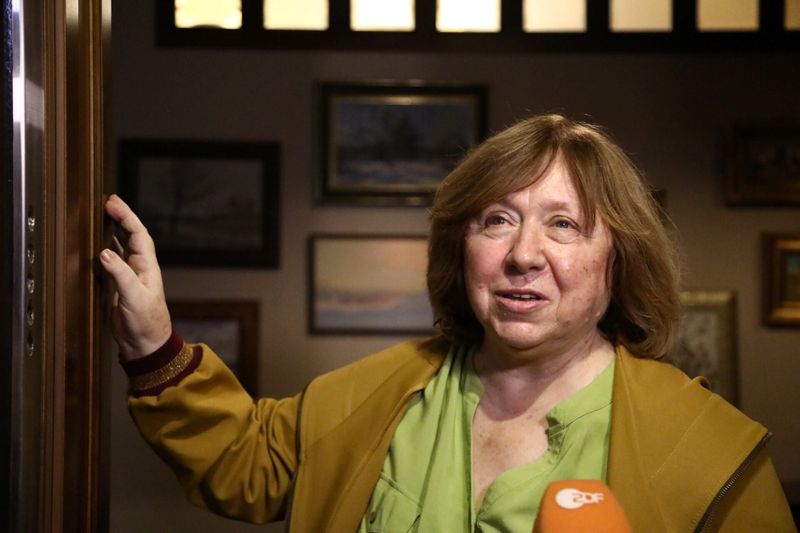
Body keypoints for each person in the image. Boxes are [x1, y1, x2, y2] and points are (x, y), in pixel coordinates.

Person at [101, 114, 796, 532]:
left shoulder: (713, 454)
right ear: (462, 249)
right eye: (497, 220)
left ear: (618, 260)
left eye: (563, 224)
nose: (524, 253)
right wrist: (153, 341)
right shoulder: (379, 391)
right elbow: (243, 462)